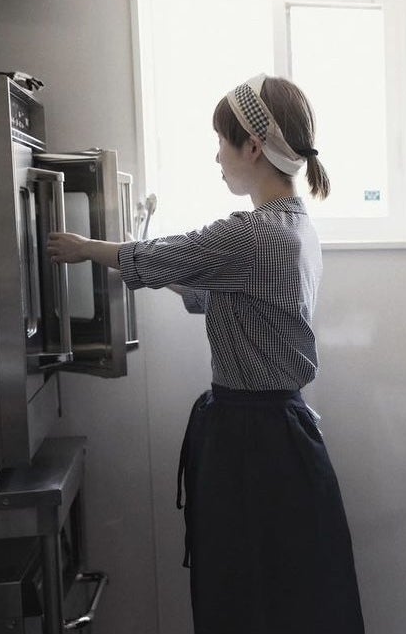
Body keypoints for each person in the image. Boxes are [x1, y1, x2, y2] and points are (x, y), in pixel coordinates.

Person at [46, 75, 364, 634]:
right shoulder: (292, 227)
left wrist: (85, 248)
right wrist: (153, 263)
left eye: (221, 141)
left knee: (247, 595)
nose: (216, 155)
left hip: (254, 443)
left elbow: (176, 256)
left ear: (253, 147)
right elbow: (200, 280)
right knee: (288, 595)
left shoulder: (255, 234)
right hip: (277, 436)